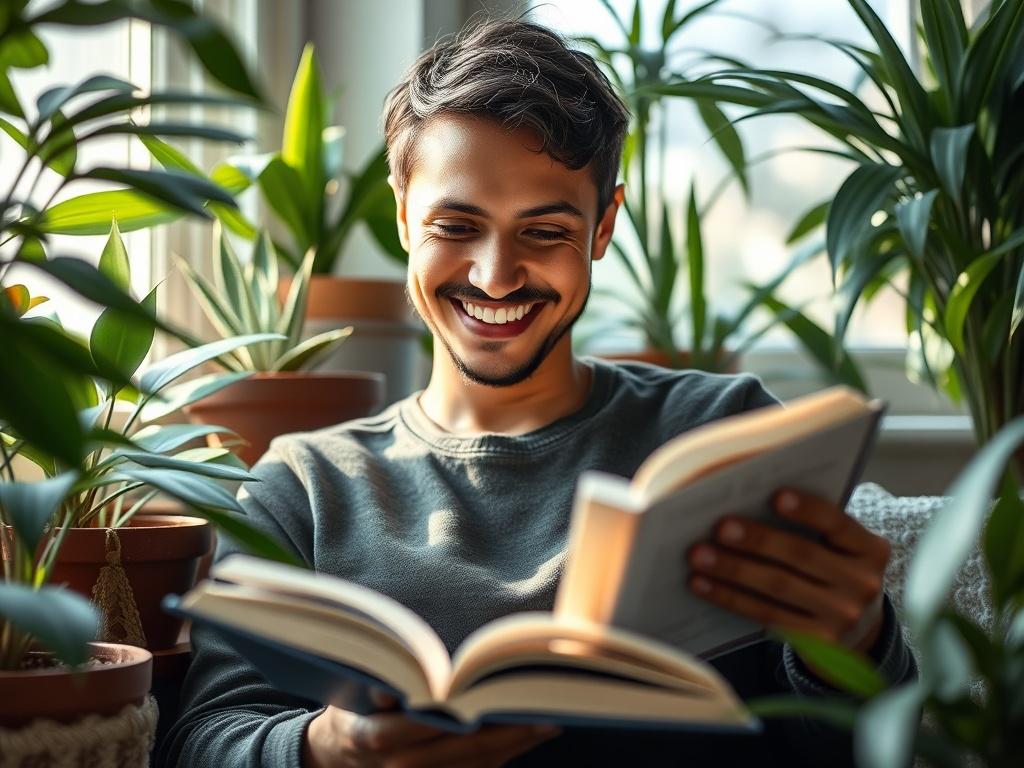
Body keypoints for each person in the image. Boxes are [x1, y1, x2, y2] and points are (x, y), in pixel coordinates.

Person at [160, 18, 914, 768]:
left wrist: (855, 645)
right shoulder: (300, 488)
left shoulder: (723, 434)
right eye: (457, 224)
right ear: (402, 218)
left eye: (544, 232)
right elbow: (200, 742)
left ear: (603, 225)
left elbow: (850, 746)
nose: (495, 276)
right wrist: (328, 749)